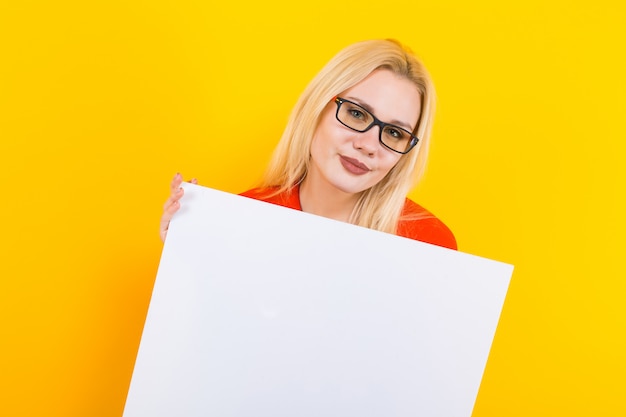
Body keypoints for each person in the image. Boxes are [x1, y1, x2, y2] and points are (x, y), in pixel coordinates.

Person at [160, 39, 457, 250]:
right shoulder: (238, 220)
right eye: (356, 113)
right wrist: (186, 260)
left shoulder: (429, 243)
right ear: (316, 108)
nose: (368, 145)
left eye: (394, 133)